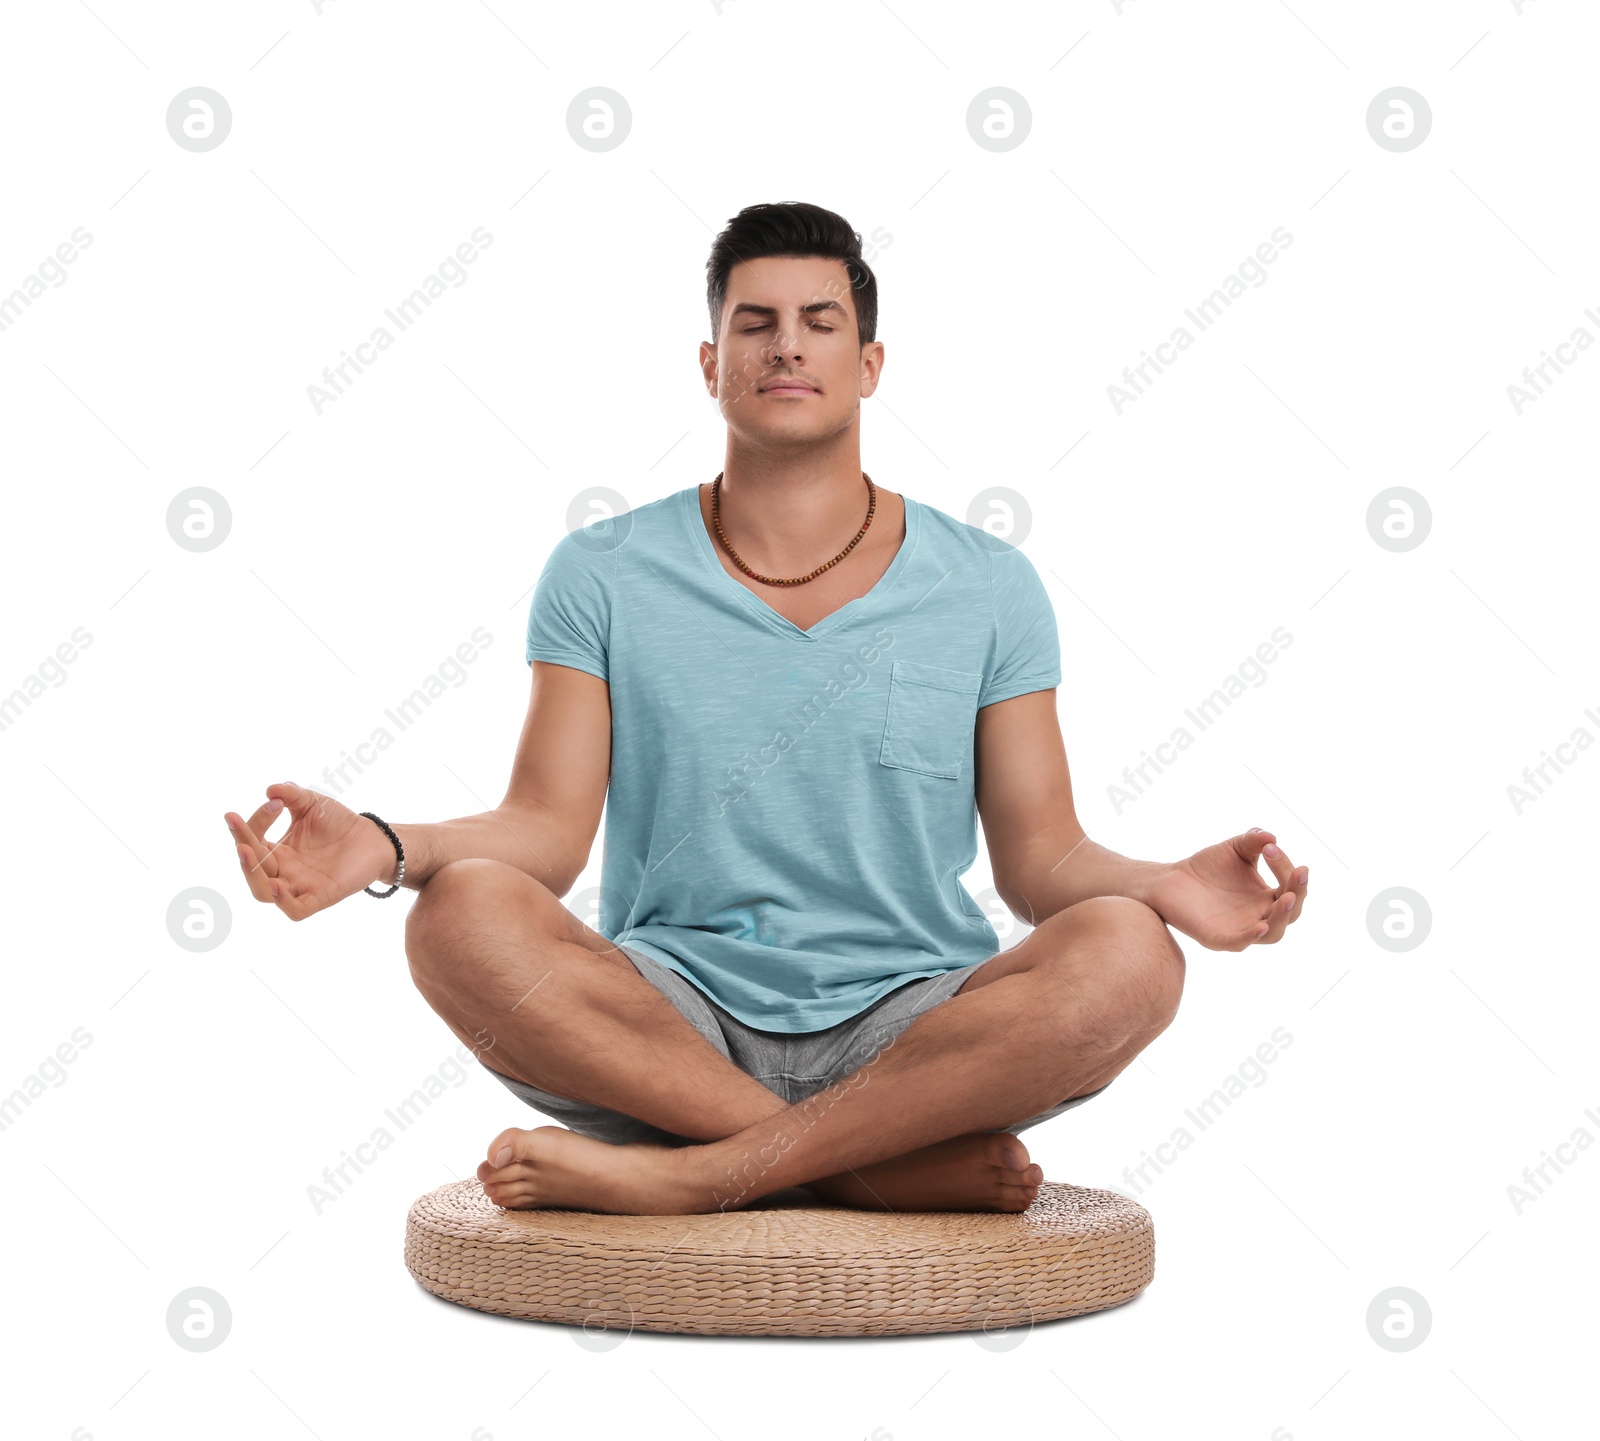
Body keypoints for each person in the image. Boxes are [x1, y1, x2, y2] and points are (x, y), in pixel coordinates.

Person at [224, 201, 1308, 1218]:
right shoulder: (603, 571)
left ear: (868, 364)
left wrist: (1157, 884)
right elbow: (544, 836)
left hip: (918, 1030)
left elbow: (1042, 860)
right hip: (666, 1026)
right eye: (756, 323)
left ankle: (700, 1179)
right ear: (711, 364)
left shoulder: (986, 584)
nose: (786, 346)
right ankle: (868, 1168)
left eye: (818, 323)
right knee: (455, 912)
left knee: (1131, 952)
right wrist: (382, 844)